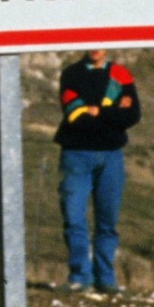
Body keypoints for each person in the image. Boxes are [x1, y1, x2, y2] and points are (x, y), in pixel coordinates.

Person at [54, 49, 141, 293]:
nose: (95, 48)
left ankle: (106, 279)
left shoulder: (120, 74)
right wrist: (113, 110)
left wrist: (97, 111)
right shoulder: (71, 74)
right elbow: (75, 115)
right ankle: (80, 277)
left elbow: (133, 115)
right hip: (76, 154)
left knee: (108, 220)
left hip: (112, 156)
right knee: (74, 218)